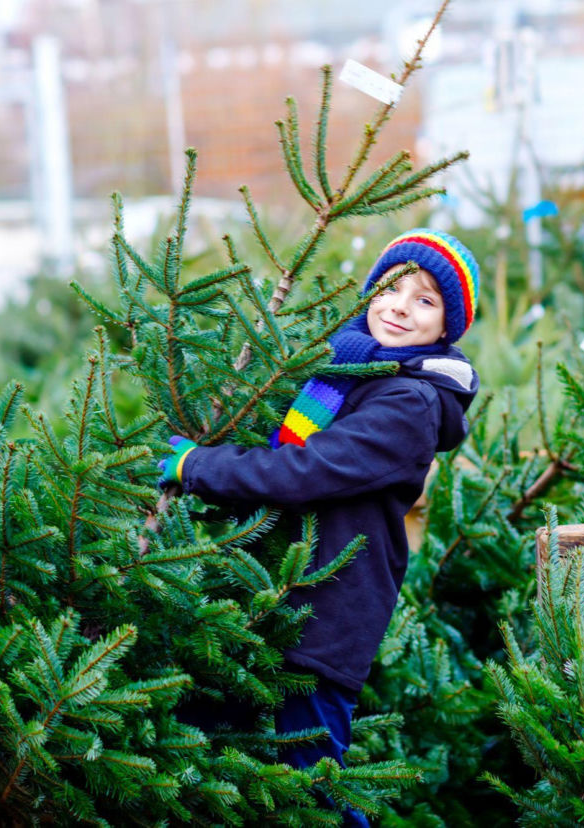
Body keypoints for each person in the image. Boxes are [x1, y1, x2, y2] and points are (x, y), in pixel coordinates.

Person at [157, 229, 480, 825]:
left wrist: (199, 466)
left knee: (314, 791)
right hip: (268, 604)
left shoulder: (410, 403)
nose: (400, 306)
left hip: (325, 620)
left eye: (425, 300)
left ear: (445, 328)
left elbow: (305, 470)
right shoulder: (342, 370)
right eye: (390, 288)